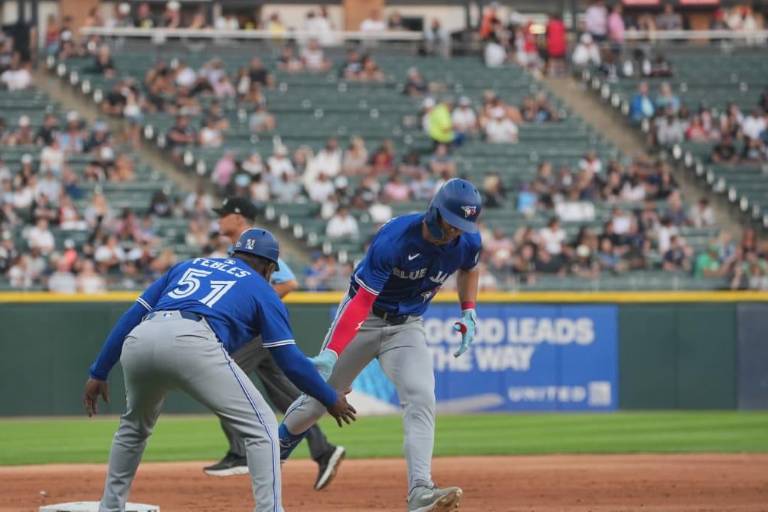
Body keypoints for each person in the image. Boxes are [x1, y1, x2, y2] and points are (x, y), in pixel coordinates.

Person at [83, 228, 356, 512]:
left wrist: (99, 371)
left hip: (141, 338)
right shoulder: (262, 288)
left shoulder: (189, 265)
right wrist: (329, 397)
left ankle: (111, 507)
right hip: (193, 340)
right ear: (269, 267)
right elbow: (288, 360)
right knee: (262, 427)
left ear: (234, 254)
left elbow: (132, 315)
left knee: (133, 428)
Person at [279, 178, 483, 512]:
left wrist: (469, 310)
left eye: (463, 225)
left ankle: (420, 490)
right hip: (367, 318)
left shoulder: (468, 240)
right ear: (435, 212)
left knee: (421, 396)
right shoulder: (395, 240)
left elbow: (469, 269)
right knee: (319, 399)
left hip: (407, 327)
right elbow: (360, 303)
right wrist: (332, 352)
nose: (456, 232)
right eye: (452, 223)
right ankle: (275, 446)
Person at [204, 197, 347, 490]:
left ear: (240, 218)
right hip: (257, 332)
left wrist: (258, 306)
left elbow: (290, 282)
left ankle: (239, 453)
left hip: (254, 331)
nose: (219, 220)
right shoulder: (240, 246)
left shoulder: (254, 244)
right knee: (285, 394)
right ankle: (324, 450)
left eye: (225, 214)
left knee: (219, 378)